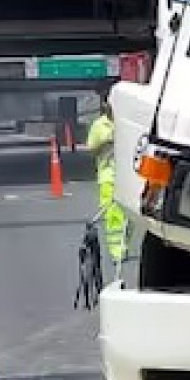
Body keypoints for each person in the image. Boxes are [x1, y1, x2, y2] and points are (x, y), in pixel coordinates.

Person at [83, 99, 127, 268]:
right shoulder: (100, 125)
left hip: (126, 175)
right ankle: (117, 251)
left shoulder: (125, 124)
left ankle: (123, 245)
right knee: (112, 213)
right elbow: (91, 148)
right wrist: (106, 141)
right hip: (108, 174)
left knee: (128, 215)